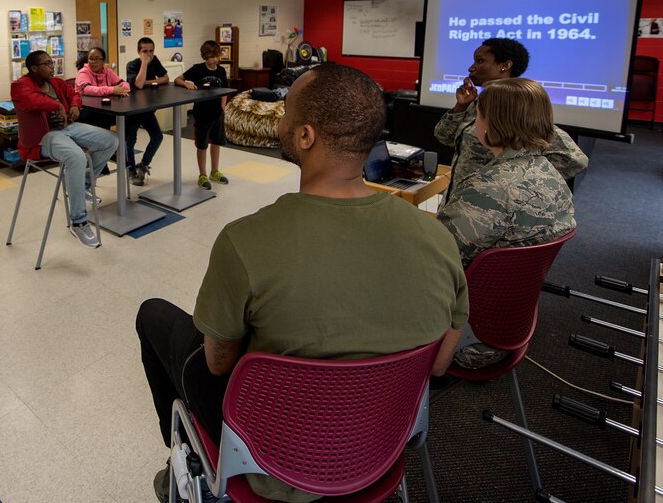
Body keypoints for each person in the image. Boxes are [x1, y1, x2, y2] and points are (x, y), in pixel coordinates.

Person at [137, 64, 468, 503]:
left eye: (287, 110)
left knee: (153, 314)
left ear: (306, 136)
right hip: (382, 450)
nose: (281, 119)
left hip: (273, 467)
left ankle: (181, 459)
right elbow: (441, 364)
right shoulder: (438, 238)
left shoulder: (245, 241)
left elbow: (218, 364)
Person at [437, 78, 575, 369]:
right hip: (507, 325)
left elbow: (433, 259)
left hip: (467, 338)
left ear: (491, 124)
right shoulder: (552, 177)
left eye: (479, 115)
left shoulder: (489, 189)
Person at [435, 38, 587, 202]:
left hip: (492, 206)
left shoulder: (517, 105)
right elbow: (443, 136)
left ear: (505, 66)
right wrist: (461, 107)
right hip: (458, 196)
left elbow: (574, 159)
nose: (471, 68)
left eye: (480, 61)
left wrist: (519, 186)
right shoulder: (479, 102)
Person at [10, 50, 119, 249]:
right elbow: (31, 100)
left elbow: (74, 93)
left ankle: (83, 183)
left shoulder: (56, 83)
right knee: (76, 157)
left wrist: (75, 105)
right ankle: (79, 222)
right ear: (34, 68)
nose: (52, 67)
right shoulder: (19, 86)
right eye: (46, 64)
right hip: (43, 137)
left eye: (52, 62)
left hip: (68, 128)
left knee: (111, 140)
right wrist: (56, 105)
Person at [175, 40, 229, 190]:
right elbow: (178, 79)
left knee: (216, 142)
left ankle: (215, 171)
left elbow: (225, 90)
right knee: (202, 144)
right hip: (202, 113)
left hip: (217, 113)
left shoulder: (221, 71)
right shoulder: (198, 69)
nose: (214, 60)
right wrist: (186, 84)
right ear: (205, 56)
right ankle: (203, 175)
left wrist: (222, 108)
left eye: (216, 56)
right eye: (211, 57)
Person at [124, 37, 168, 186]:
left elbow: (166, 78)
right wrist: (144, 62)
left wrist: (150, 81)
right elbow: (138, 84)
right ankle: (131, 170)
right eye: (145, 51)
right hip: (133, 109)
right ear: (138, 51)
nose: (149, 55)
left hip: (147, 109)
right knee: (130, 141)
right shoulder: (132, 65)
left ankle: (143, 165)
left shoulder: (155, 61)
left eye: (151, 51)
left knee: (157, 137)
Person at [74, 46, 129, 131]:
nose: (93, 62)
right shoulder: (83, 72)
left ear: (103, 61)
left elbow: (124, 83)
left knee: (130, 118)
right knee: (103, 120)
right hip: (86, 110)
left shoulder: (108, 72)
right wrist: (113, 90)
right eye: (91, 59)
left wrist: (123, 90)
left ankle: (125, 143)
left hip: (104, 109)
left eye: (97, 59)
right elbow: (87, 89)